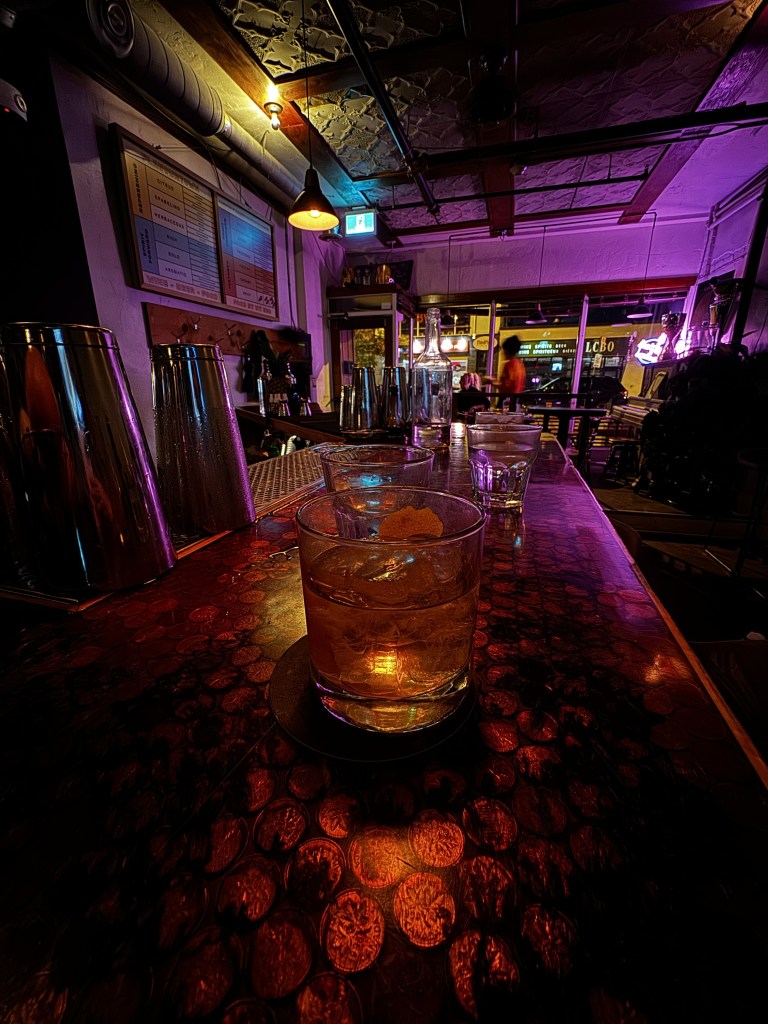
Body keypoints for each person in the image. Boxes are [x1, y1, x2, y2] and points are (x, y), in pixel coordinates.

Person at [498, 336, 526, 406]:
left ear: (506, 350)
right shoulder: (520, 364)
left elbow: (506, 386)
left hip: (506, 400)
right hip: (516, 400)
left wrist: (492, 382)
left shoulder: (510, 365)